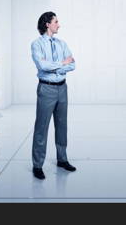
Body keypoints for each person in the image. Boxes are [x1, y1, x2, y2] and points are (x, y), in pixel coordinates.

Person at [30, 11, 76, 180]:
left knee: (62, 125)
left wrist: (56, 66)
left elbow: (73, 64)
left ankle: (62, 159)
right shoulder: (36, 44)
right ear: (47, 24)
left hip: (62, 88)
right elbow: (42, 65)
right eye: (56, 21)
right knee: (41, 128)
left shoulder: (62, 43)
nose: (59, 24)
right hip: (46, 89)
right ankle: (37, 165)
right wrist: (62, 64)